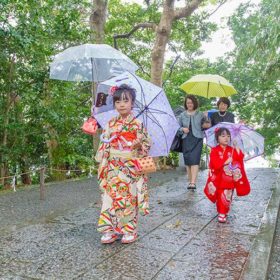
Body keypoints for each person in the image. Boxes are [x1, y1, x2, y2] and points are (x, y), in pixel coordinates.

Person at [95, 84, 151, 244]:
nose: (121, 104)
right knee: (109, 197)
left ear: (132, 102)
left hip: (130, 167)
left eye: (126, 101)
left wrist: (139, 144)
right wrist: (106, 146)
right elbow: (104, 143)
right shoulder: (110, 123)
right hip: (113, 166)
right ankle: (109, 229)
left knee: (128, 198)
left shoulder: (137, 124)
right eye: (118, 101)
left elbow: (147, 143)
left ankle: (129, 230)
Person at [204, 127, 250, 223]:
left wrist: (236, 148)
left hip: (228, 179)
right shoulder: (215, 150)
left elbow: (239, 158)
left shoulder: (231, 149)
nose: (226, 138)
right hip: (218, 177)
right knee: (219, 195)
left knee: (227, 195)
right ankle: (221, 210)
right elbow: (214, 163)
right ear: (218, 138)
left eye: (228, 136)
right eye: (223, 136)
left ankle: (223, 212)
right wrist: (225, 161)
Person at [178, 95, 211, 190]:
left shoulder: (200, 114)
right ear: (186, 104)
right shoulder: (182, 115)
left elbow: (207, 126)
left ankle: (193, 183)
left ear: (194, 103)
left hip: (197, 139)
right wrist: (182, 129)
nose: (190, 104)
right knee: (188, 162)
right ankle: (190, 181)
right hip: (186, 139)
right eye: (188, 103)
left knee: (195, 161)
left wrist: (206, 117)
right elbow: (177, 128)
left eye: (191, 103)